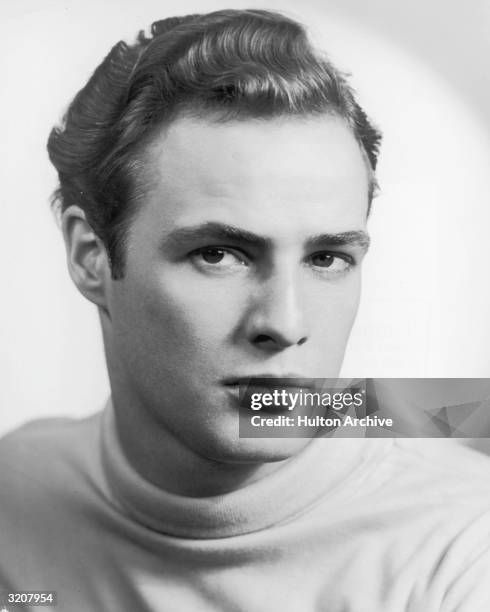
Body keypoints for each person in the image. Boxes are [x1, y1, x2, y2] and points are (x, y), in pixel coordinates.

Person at [1, 8, 489, 611]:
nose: (285, 325)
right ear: (90, 257)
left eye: (328, 258)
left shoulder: (463, 556)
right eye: (219, 254)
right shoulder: (15, 492)